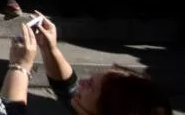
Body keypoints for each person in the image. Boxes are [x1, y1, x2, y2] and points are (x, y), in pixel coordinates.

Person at [34, 12, 171, 114]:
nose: (80, 83)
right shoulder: (89, 107)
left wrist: (19, 69)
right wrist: (49, 48)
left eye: (90, 86)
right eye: (89, 81)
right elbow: (67, 87)